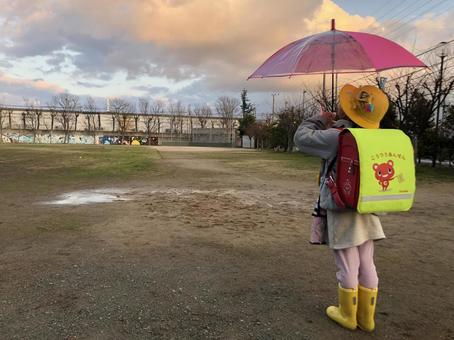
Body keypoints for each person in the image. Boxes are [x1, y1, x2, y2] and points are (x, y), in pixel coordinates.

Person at [293, 84, 389, 332]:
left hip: (343, 209)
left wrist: (320, 119)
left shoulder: (339, 136)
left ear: (349, 111)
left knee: (347, 263)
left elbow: (301, 138)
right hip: (368, 208)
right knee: (367, 261)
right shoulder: (375, 137)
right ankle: (367, 319)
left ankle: (347, 314)